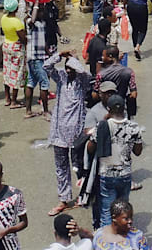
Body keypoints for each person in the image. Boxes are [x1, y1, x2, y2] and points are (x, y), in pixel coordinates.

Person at [47, 50, 92, 216]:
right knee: (61, 168)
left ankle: (84, 195)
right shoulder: (61, 79)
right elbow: (47, 66)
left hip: (77, 134)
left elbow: (84, 72)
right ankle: (64, 200)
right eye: (66, 68)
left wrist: (73, 60)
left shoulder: (82, 81)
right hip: (59, 133)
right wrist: (60, 55)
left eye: (71, 68)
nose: (68, 71)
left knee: (80, 167)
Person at [95, 94, 144, 228]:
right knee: (122, 209)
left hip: (107, 174)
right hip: (125, 174)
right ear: (124, 108)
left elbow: (90, 147)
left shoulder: (102, 125)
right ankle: (123, 239)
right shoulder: (134, 127)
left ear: (108, 109)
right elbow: (138, 151)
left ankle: (106, 242)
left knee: (107, 210)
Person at [0, 0, 25, 109]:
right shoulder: (17, 22)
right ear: (16, 8)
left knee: (7, 71)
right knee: (16, 73)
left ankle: (7, 98)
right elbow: (23, 39)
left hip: (6, 45)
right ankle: (14, 101)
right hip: (16, 47)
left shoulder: (3, 18)